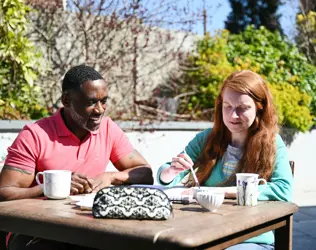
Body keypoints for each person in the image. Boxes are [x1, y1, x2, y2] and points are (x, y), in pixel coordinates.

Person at [0, 64, 153, 249]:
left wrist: (111, 177)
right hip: (35, 232)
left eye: (104, 101)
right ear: (66, 100)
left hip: (88, 229)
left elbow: (145, 173)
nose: (99, 110)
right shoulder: (35, 135)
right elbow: (4, 193)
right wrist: (51, 186)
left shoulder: (108, 129)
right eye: (90, 102)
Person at [157, 70, 293, 250]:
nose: (233, 115)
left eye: (242, 108)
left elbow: (283, 190)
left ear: (260, 107)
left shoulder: (272, 143)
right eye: (227, 106)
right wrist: (171, 171)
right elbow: (165, 177)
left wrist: (221, 192)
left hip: (251, 238)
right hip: (205, 233)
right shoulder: (207, 139)